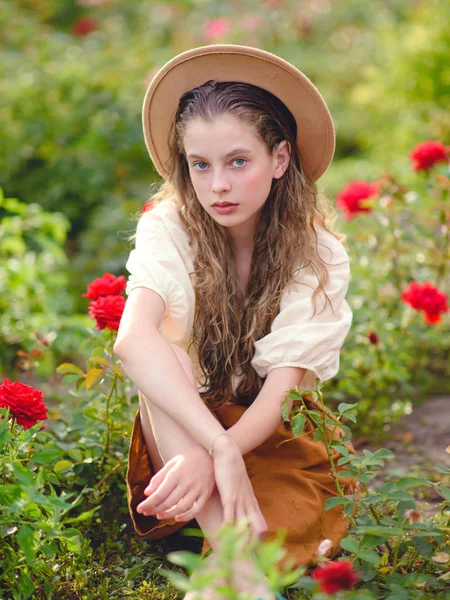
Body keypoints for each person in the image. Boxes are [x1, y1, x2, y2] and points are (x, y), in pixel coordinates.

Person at [114, 44, 358, 600]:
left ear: (279, 158)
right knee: (165, 353)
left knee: (283, 523)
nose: (217, 185)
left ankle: (228, 559)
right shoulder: (169, 227)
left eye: (237, 161)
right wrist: (213, 449)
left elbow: (279, 396)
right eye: (200, 165)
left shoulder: (315, 251)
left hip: (267, 429)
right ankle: (236, 568)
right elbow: (132, 342)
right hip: (182, 420)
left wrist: (222, 450)